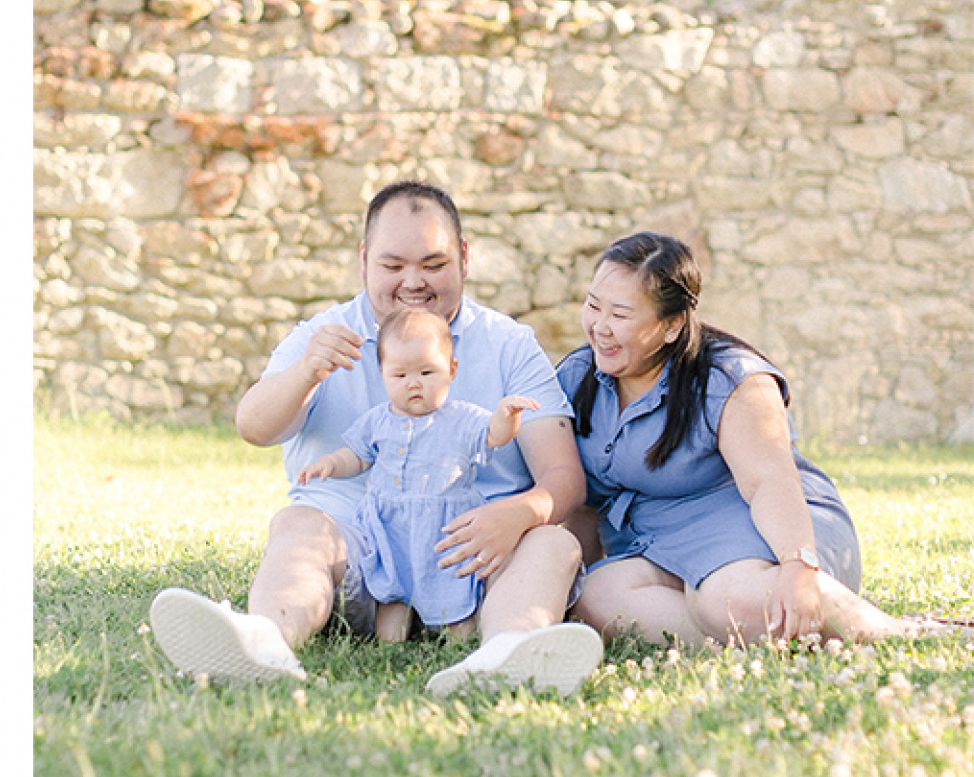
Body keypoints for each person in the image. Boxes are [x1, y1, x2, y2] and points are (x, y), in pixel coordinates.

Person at [150, 182, 602, 697]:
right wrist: (306, 373)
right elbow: (253, 426)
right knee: (299, 524)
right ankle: (265, 641)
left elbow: (563, 477)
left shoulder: (508, 344)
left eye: (433, 265)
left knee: (553, 541)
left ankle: (505, 654)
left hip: (479, 557)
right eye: (393, 266)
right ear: (364, 260)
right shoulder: (323, 334)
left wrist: (519, 514)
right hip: (360, 551)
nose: (413, 282)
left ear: (464, 259)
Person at [560, 231, 963, 647]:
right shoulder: (576, 378)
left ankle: (900, 633)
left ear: (672, 326)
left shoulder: (731, 379)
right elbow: (574, 499)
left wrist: (798, 565)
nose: (600, 328)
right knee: (596, 596)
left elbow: (769, 481)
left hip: (765, 524)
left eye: (620, 315)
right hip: (663, 543)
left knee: (721, 599)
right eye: (593, 306)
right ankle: (761, 636)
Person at [295, 307, 540, 645]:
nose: (414, 384)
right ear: (382, 373)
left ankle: (462, 647)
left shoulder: (462, 418)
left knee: (458, 609)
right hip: (391, 530)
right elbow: (357, 455)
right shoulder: (377, 420)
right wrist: (331, 465)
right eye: (400, 375)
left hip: (445, 530)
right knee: (391, 607)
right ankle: (391, 651)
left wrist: (507, 415)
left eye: (427, 372)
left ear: (451, 370)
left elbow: (494, 435)